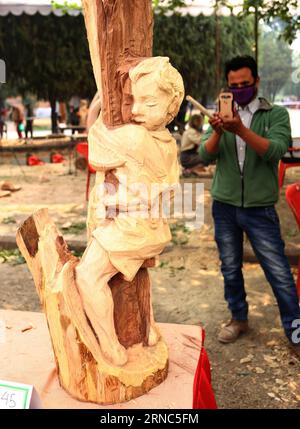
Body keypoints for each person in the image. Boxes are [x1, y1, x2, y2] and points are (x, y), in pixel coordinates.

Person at [59, 57, 184, 367]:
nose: (136, 110)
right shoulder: (169, 142)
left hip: (130, 228)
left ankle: (111, 346)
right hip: (152, 228)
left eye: (148, 102)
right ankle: (149, 328)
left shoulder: (135, 136)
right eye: (134, 100)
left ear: (171, 107)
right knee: (138, 271)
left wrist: (96, 108)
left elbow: (97, 148)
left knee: (88, 276)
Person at [199, 55, 300, 357]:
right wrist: (218, 131)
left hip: (260, 208)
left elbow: (276, 151)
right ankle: (238, 318)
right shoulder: (221, 113)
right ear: (226, 86)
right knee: (230, 266)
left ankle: (295, 328)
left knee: (278, 271)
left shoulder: (276, 114)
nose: (240, 89)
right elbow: (204, 156)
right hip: (225, 206)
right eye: (234, 85)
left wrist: (241, 130)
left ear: (256, 81)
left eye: (245, 84)